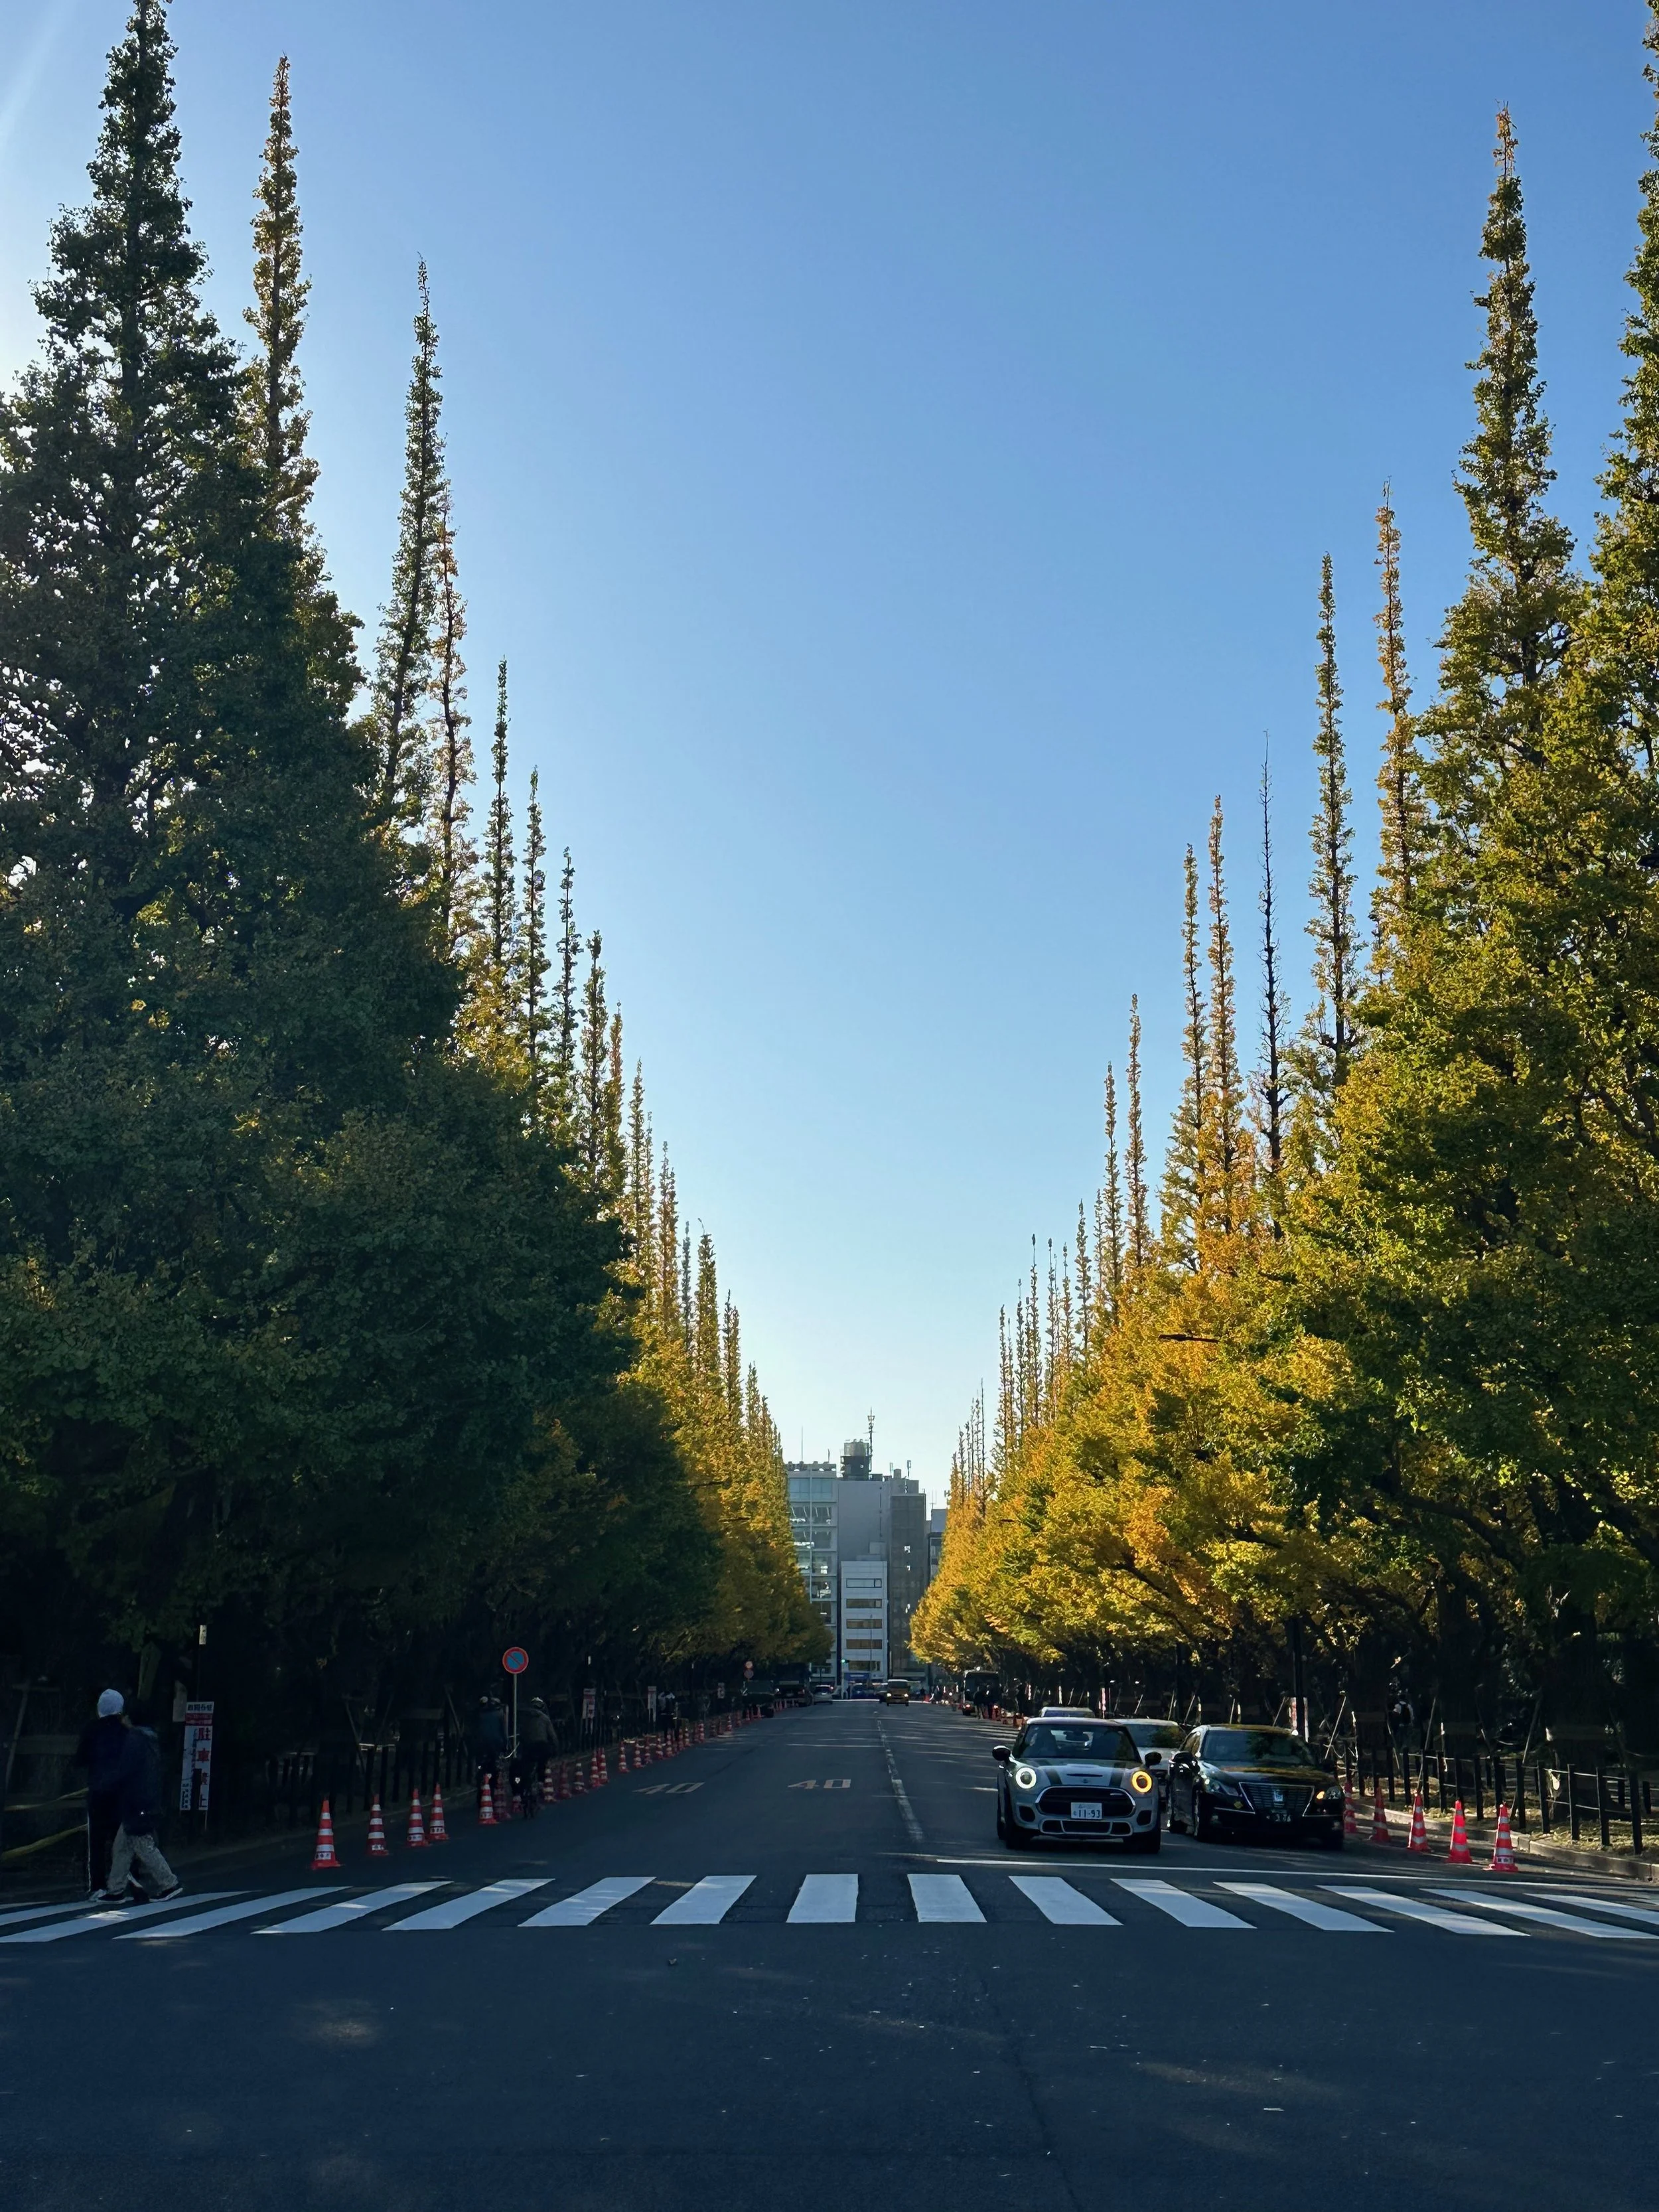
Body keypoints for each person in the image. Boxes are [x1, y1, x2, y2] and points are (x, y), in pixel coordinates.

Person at [94, 1706, 181, 1904]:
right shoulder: (151, 1739)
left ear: (131, 1718)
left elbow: (125, 1769)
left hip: (136, 1799)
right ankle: (115, 1890)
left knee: (142, 1843)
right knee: (122, 1847)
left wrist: (104, 1784)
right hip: (145, 1798)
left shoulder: (135, 1739)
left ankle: (169, 1883)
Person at [72, 1689, 133, 1899]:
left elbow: (79, 1760)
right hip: (121, 1793)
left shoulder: (91, 1730)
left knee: (96, 1841)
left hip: (98, 1790)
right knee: (124, 1840)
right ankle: (127, 1881)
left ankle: (98, 1885)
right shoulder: (127, 1732)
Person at [474, 1696, 508, 1805]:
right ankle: (491, 1790)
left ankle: (479, 1785)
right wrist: (505, 1746)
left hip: (481, 1746)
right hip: (495, 1745)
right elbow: (503, 1732)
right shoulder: (499, 1715)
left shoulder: (479, 1716)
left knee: (480, 1766)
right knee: (494, 1768)